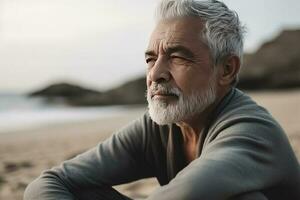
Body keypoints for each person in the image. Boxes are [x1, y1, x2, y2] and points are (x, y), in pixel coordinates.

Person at [24, 0, 300, 199]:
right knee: (79, 190)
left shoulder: (252, 132)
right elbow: (48, 182)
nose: (155, 74)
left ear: (226, 69)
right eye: (150, 58)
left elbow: (188, 192)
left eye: (178, 56)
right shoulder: (158, 126)